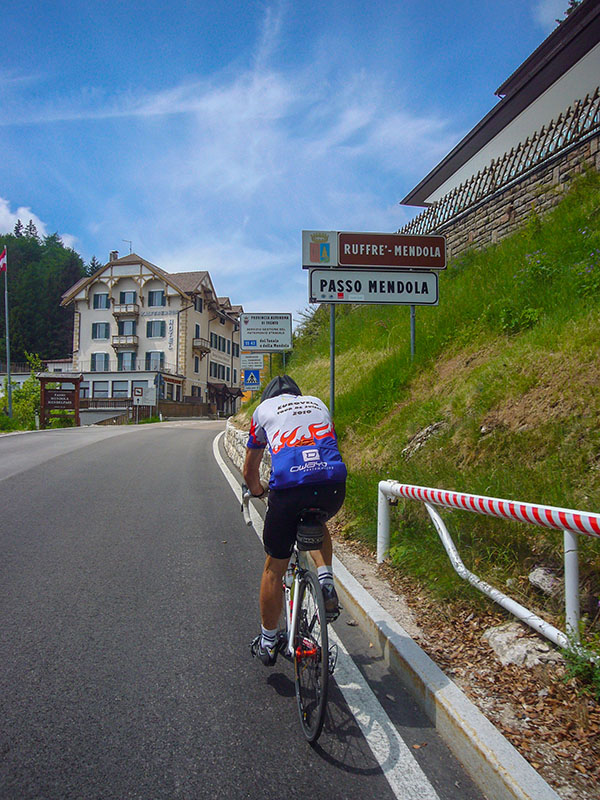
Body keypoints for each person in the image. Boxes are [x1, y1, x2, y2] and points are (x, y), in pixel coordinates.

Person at [244, 375, 347, 666]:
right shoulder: (317, 403)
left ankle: (267, 640)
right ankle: (326, 580)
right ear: (297, 394)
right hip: (332, 487)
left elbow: (250, 469)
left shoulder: (263, 411)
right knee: (317, 517)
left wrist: (257, 491)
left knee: (274, 568)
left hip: (289, 489)